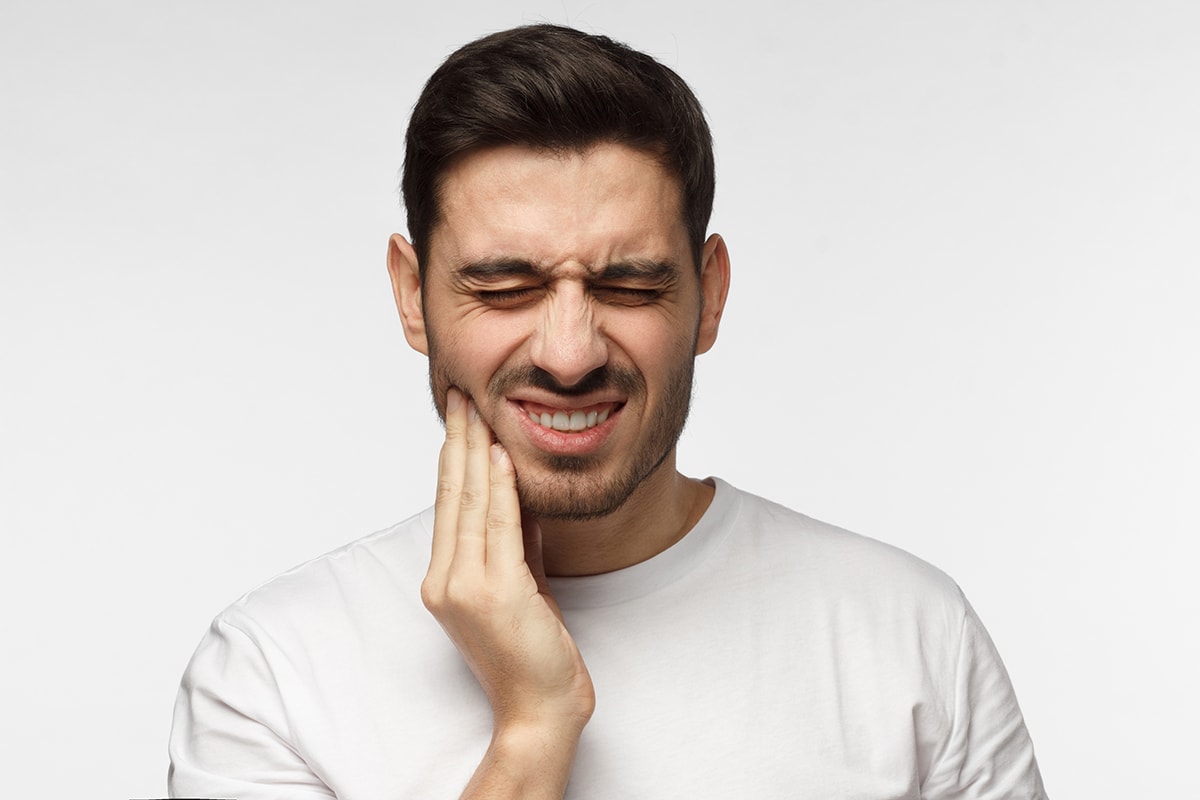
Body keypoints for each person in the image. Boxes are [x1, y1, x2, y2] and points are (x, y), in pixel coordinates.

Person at [168, 24, 1046, 799]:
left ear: (709, 299)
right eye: (504, 287)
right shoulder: (273, 674)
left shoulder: (915, 639)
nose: (570, 352)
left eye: (629, 285)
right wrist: (534, 731)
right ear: (411, 296)